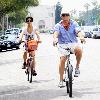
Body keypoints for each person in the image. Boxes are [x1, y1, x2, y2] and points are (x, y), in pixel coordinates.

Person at [53, 10, 86, 87]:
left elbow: (78, 31)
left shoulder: (74, 23)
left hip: (73, 43)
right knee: (62, 60)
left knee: (79, 49)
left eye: (67, 15)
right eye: (63, 15)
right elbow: (56, 33)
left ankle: (77, 67)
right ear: (61, 16)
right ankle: (61, 80)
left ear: (69, 16)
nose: (65, 17)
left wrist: (81, 37)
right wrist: (55, 39)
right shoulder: (58, 25)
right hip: (62, 45)